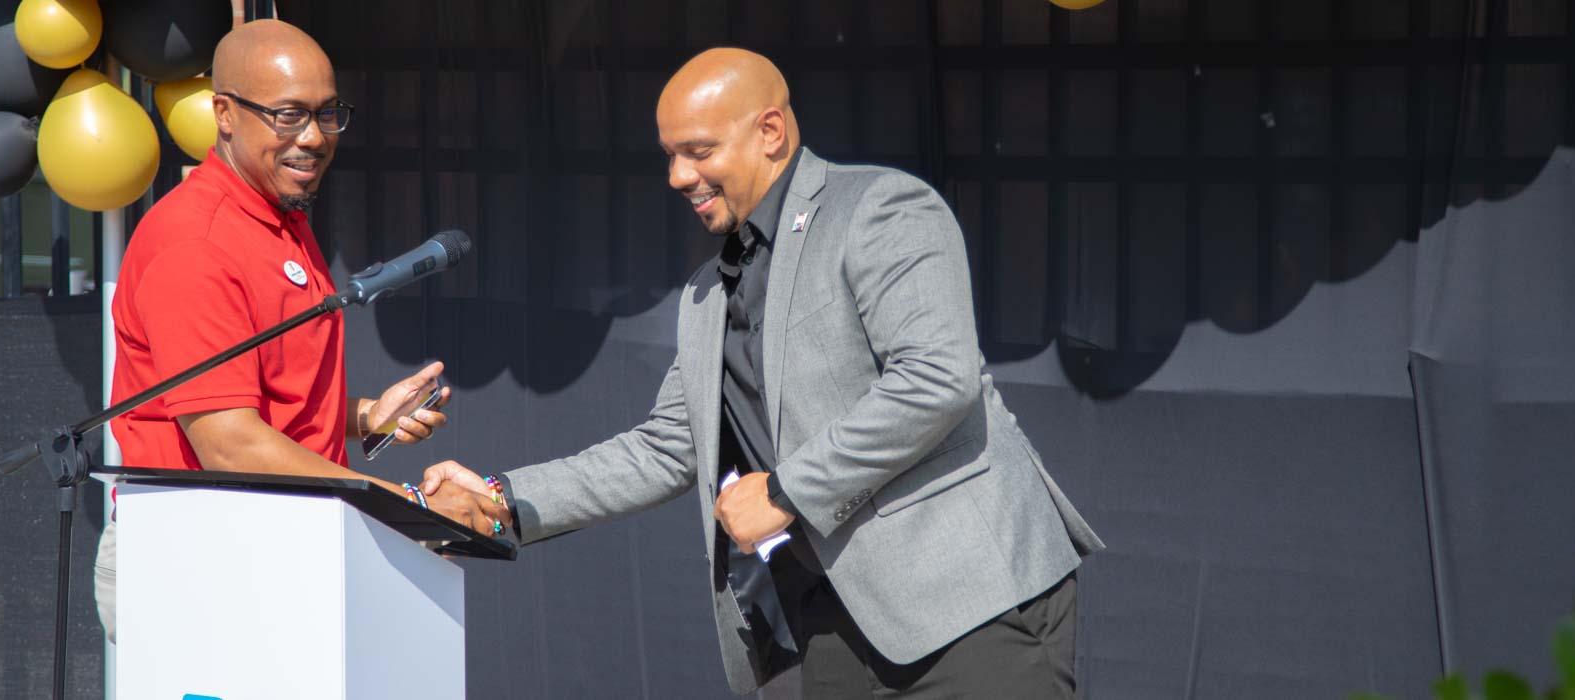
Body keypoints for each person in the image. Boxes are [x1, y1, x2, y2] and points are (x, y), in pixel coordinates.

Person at [421, 47, 1103, 697]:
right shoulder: (706, 292)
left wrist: (783, 492)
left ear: (770, 131)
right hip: (833, 625)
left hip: (973, 604)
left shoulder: (880, 207)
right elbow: (664, 448)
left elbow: (935, 378)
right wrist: (500, 495)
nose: (678, 177)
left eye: (699, 152)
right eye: (669, 157)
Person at [93, 19, 509, 642]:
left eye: (327, 114)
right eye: (288, 115)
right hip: (200, 561)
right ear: (225, 114)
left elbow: (255, 398)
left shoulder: (274, 213)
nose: (313, 137)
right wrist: (410, 508)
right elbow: (230, 445)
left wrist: (364, 416)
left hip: (274, 543)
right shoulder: (197, 245)